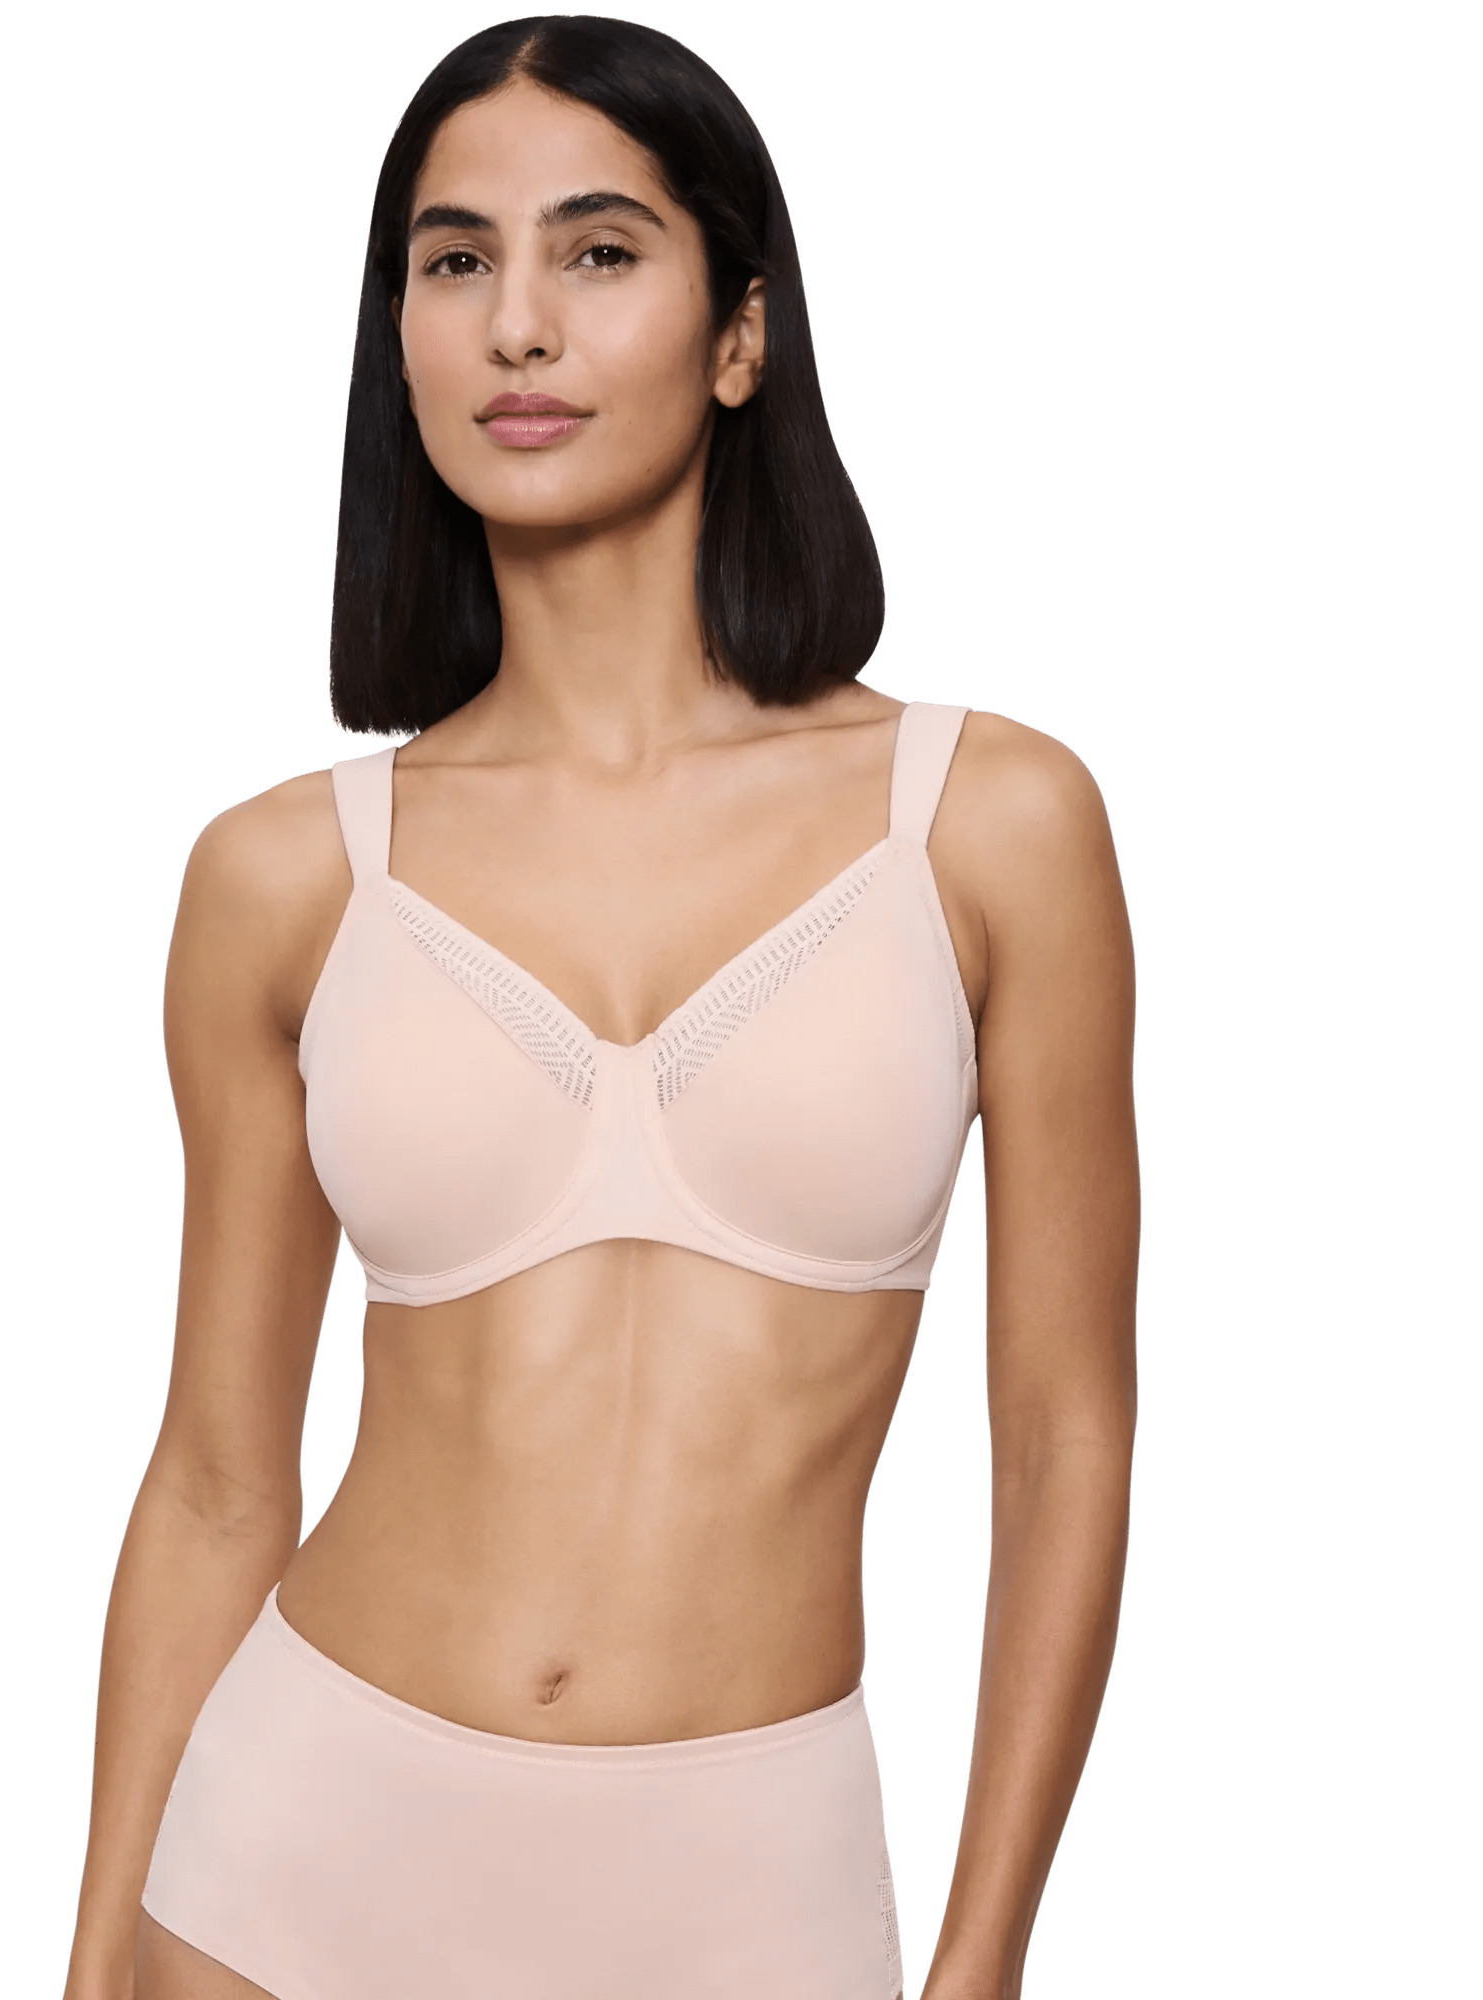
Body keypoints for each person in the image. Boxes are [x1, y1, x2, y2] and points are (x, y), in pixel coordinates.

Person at [62, 17, 1138, 2000]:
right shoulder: (285, 877)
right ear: (399, 337)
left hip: (746, 1895)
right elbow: (216, 1476)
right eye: (455, 260)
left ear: (742, 335)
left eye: (601, 250)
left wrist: (983, 1959)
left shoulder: (988, 824)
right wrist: (84, 1966)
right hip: (295, 1865)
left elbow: (1065, 1434)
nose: (518, 326)